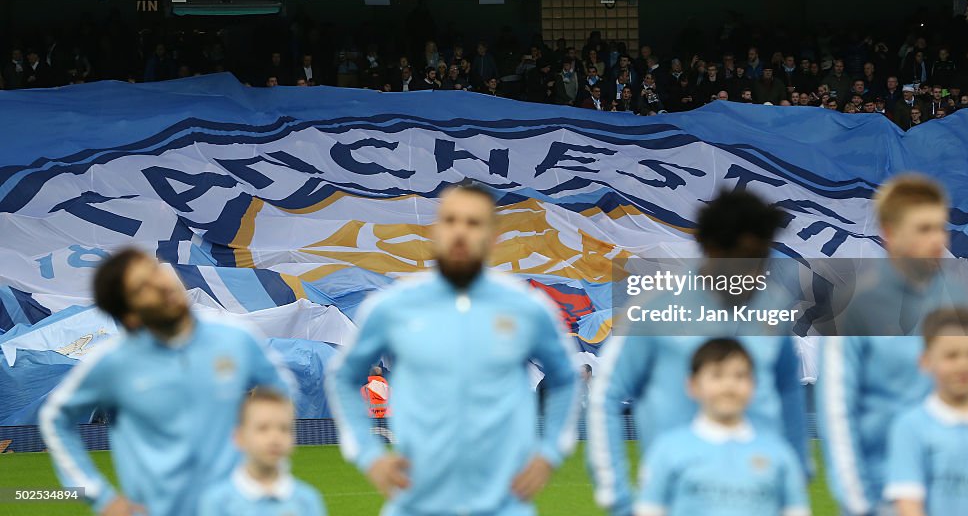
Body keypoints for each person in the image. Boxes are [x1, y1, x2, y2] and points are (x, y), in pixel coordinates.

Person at [327, 183, 579, 516]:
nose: (460, 232)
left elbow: (567, 378)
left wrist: (550, 451)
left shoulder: (527, 309)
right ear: (435, 230)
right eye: (451, 220)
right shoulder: (392, 308)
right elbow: (344, 377)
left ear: (493, 237)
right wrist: (368, 455)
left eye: (473, 223)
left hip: (504, 505)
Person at [588, 191, 809, 516]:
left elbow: (788, 386)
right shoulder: (654, 307)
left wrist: (797, 467)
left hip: (759, 497)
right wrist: (617, 497)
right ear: (710, 248)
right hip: (677, 499)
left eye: (763, 256)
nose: (755, 269)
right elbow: (606, 395)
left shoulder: (774, 305)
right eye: (745, 255)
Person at [40, 249, 295, 516]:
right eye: (143, 287)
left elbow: (280, 388)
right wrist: (99, 496)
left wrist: (264, 456)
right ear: (130, 316)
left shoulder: (236, 338)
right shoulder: (112, 363)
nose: (161, 283)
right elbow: (55, 418)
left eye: (155, 270)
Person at [817, 174, 968, 516]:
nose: (937, 240)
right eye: (923, 229)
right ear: (890, 233)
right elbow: (837, 413)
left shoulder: (957, 300)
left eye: (940, 228)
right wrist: (860, 504)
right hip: (881, 498)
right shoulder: (854, 304)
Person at [635, 340, 810, 516]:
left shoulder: (779, 454)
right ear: (693, 385)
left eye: (739, 376)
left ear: (754, 385)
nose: (729, 386)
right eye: (717, 375)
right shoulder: (666, 451)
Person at [884, 308, 968, 516]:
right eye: (952, 356)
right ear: (926, 361)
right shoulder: (909, 427)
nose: (964, 365)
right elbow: (908, 504)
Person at [196, 388, 327, 516]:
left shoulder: (307, 501)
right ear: (239, 437)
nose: (275, 438)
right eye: (263, 428)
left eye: (284, 429)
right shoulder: (217, 502)